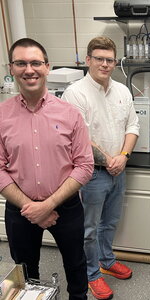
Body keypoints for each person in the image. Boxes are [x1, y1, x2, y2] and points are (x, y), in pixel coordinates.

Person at [0, 38, 94, 300]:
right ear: (11, 67)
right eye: (21, 63)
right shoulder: (1, 115)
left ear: (47, 67)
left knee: (76, 265)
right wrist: (32, 207)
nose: (29, 69)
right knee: (24, 272)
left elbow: (84, 166)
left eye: (35, 63)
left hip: (66, 207)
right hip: (20, 210)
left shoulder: (70, 114)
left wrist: (47, 205)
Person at [62, 36, 139, 300]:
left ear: (114, 62)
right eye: (99, 59)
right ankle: (92, 273)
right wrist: (110, 160)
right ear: (88, 60)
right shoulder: (75, 92)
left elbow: (133, 126)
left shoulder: (123, 91)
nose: (105, 64)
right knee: (89, 229)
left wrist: (124, 156)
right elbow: (80, 137)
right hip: (92, 173)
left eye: (109, 60)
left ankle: (107, 260)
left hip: (119, 169)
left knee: (111, 223)